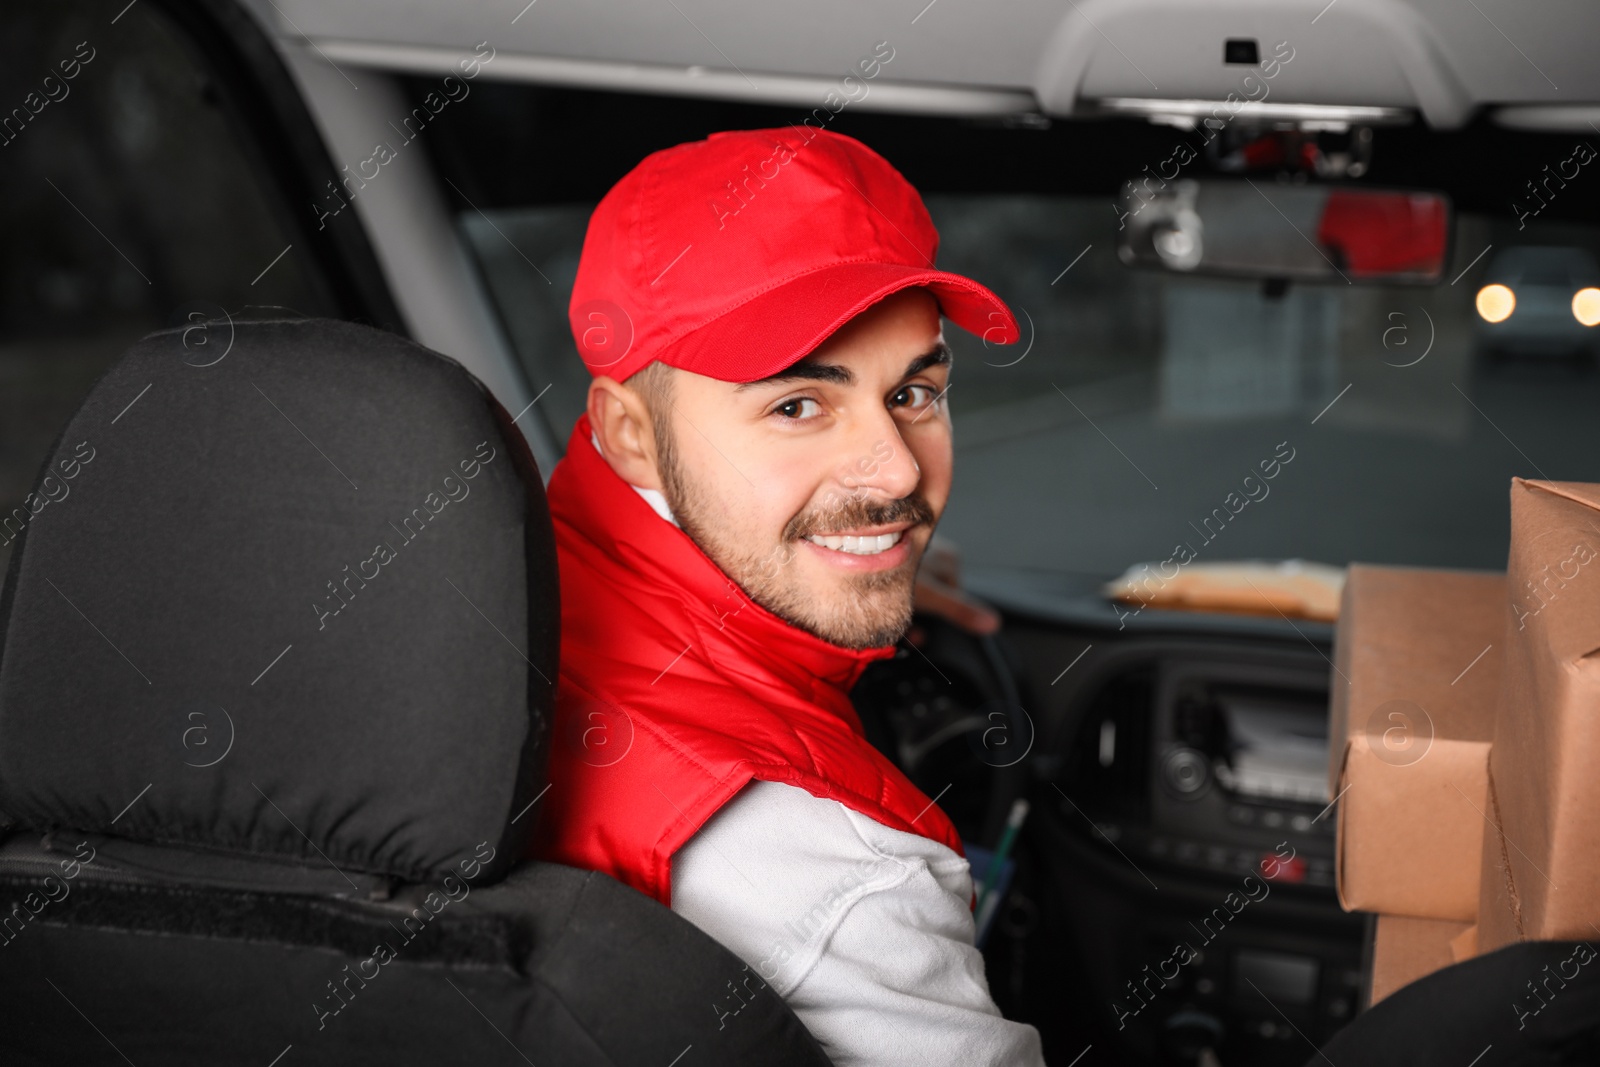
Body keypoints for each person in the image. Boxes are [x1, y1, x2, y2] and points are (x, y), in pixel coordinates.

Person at [530, 125, 1047, 1066]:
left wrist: (843, 559)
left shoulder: (494, 588)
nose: (897, 470)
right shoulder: (842, 881)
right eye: (797, 405)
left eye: (915, 394)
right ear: (632, 434)